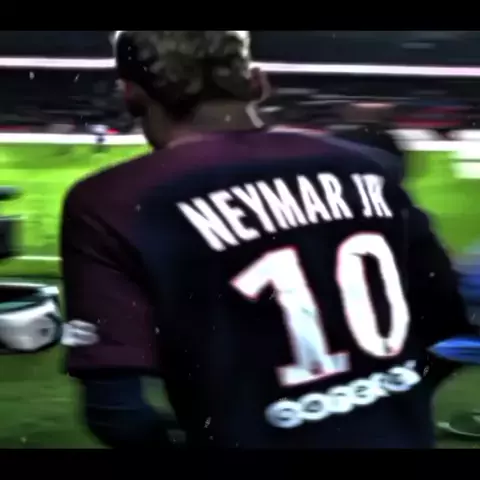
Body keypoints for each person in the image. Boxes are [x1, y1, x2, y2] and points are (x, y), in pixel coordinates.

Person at [61, 31, 473, 449]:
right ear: (259, 82)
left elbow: (118, 412)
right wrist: (399, 402)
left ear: (129, 94)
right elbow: (445, 320)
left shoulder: (111, 200)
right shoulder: (363, 166)